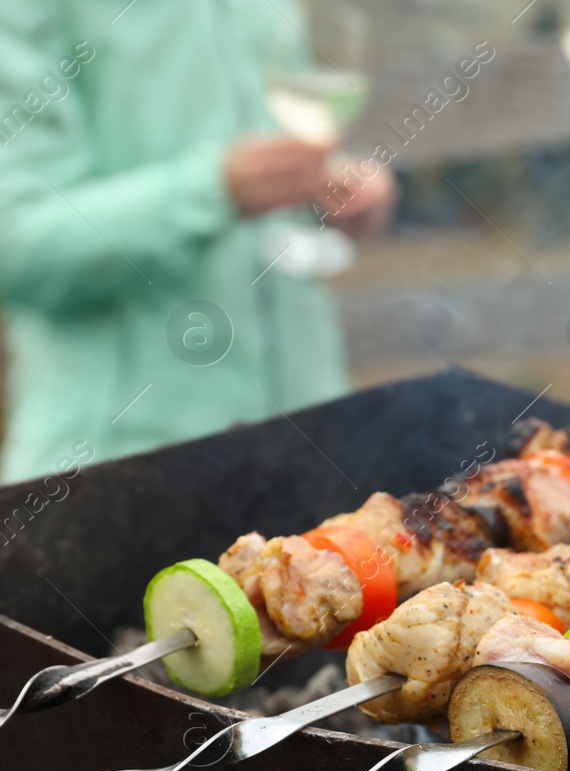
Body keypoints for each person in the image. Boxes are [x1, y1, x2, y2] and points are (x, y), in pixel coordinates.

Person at [0, 1, 394, 483]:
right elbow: (16, 243)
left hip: (309, 457)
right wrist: (211, 191)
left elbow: (285, 148)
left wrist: (329, 190)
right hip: (118, 480)